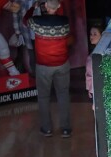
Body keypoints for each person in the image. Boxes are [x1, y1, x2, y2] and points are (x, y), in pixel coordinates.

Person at [25, 0, 72, 138]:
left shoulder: (36, 22)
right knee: (63, 95)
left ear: (45, 6)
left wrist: (33, 8)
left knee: (44, 97)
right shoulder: (65, 21)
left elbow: (25, 21)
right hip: (62, 64)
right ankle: (65, 129)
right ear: (58, 6)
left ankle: (47, 129)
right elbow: (60, 15)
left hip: (43, 66)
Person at [85, 24, 103, 101]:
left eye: (95, 34)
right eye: (91, 34)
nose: (91, 37)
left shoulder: (102, 53)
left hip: (98, 89)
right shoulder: (95, 51)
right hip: (93, 89)